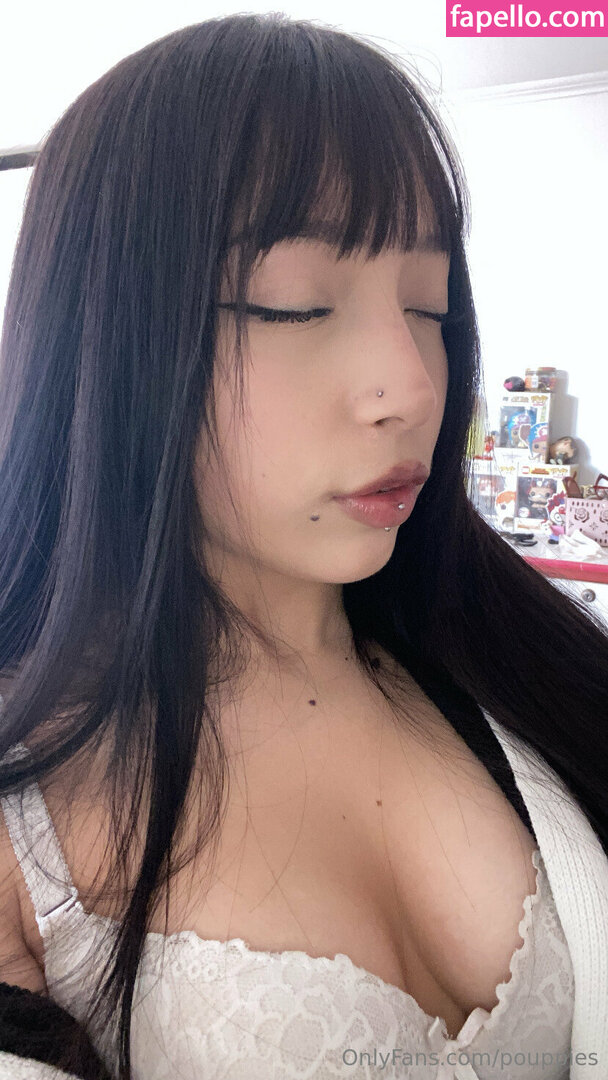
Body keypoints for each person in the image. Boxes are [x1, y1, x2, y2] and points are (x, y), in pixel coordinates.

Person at [0, 13, 606, 1080]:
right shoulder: (28, 810)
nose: (411, 387)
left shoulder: (520, 662)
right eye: (298, 305)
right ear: (110, 337)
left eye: (429, 307)